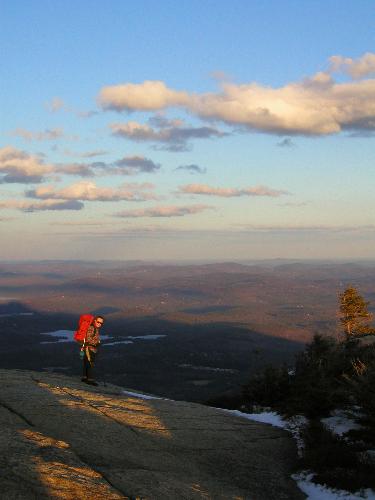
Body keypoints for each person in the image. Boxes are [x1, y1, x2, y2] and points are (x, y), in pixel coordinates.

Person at [81, 315, 104, 386]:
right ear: (95, 321)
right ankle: (90, 380)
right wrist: (96, 344)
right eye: (98, 322)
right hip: (89, 348)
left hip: (89, 348)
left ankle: (85, 378)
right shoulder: (92, 328)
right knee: (90, 364)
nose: (99, 324)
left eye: (101, 323)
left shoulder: (95, 328)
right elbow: (88, 338)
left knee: (87, 363)